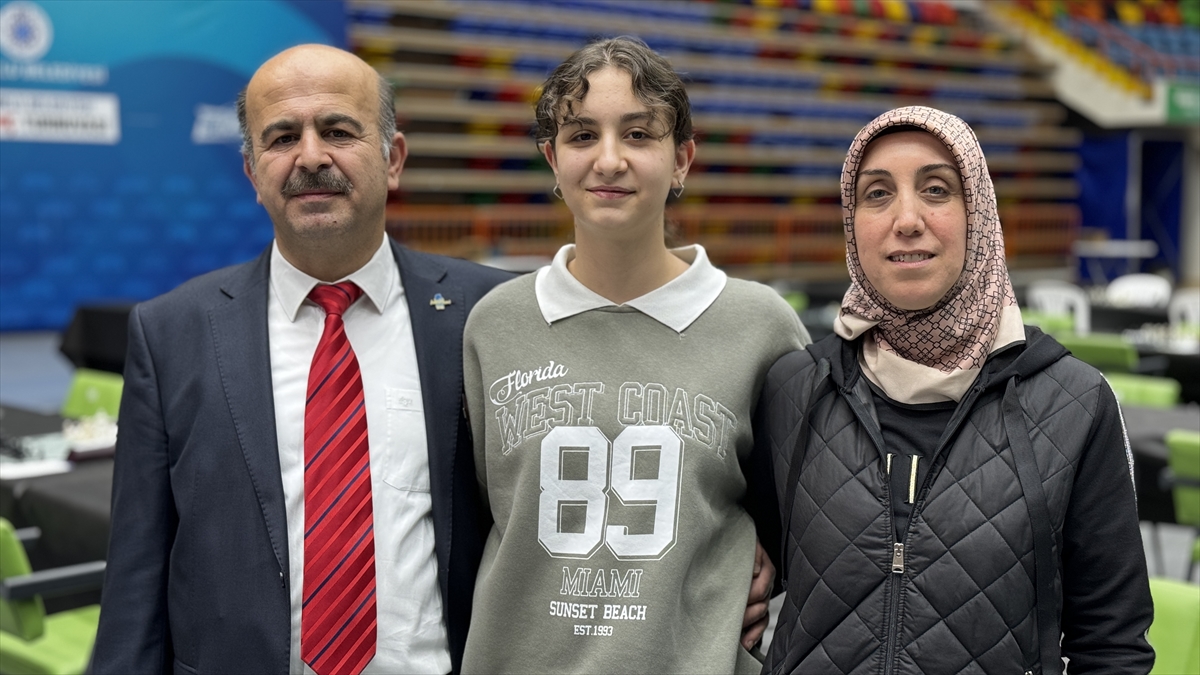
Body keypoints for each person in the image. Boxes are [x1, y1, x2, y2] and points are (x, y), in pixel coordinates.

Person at [90, 44, 513, 674]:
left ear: (393, 159)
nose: (311, 157)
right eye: (283, 137)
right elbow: (136, 570)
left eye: (338, 131)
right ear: (252, 172)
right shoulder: (170, 333)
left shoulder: (488, 313)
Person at [757, 106, 1154, 673]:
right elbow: (743, 588)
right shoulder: (794, 388)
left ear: (979, 213)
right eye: (877, 194)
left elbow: (1111, 644)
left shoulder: (1075, 402)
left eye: (937, 190)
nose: (906, 219)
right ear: (852, 222)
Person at [460, 37, 811, 674]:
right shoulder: (495, 324)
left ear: (682, 160)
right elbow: (490, 511)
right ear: (552, 158)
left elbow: (804, 519)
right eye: (582, 135)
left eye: (639, 134)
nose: (609, 159)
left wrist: (765, 570)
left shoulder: (760, 325)